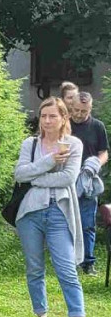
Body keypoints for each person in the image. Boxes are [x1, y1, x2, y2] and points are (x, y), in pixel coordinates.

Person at [13, 97, 86, 317]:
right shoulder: (30, 143)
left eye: (52, 116)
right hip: (30, 214)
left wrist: (36, 177)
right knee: (35, 268)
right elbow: (20, 173)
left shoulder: (73, 144)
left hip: (58, 212)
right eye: (43, 116)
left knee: (66, 268)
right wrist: (48, 162)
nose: (47, 121)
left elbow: (68, 178)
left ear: (63, 118)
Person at [68, 92, 108, 276]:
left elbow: (104, 153)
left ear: (90, 109)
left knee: (87, 223)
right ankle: (68, 260)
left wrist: (95, 164)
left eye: (83, 111)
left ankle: (88, 262)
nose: (79, 114)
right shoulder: (64, 124)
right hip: (66, 179)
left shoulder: (97, 126)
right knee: (65, 222)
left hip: (88, 181)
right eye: (76, 110)